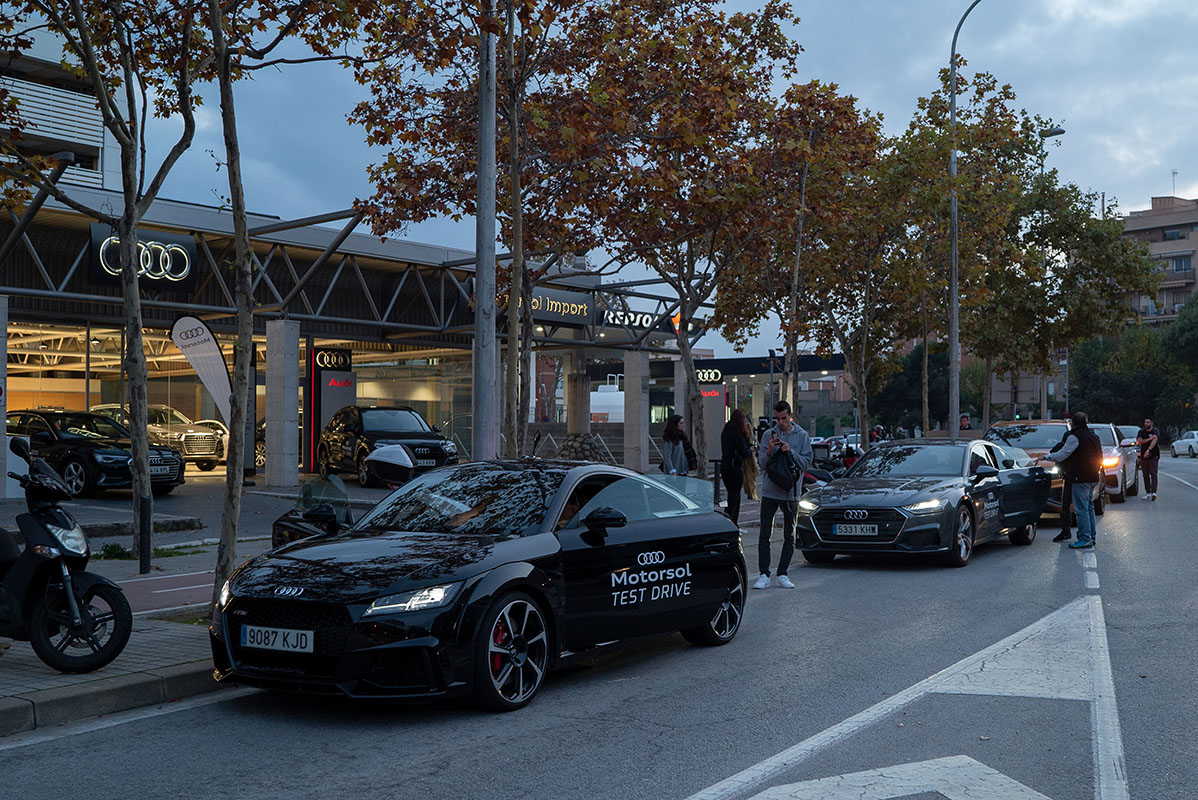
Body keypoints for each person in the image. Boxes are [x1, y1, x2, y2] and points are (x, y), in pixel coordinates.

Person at [753, 401, 813, 589]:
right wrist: (770, 450)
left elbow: (807, 463)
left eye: (784, 418)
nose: (781, 422)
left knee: (789, 534)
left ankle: (782, 573)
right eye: (777, 419)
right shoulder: (768, 435)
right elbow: (762, 464)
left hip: (791, 492)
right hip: (771, 490)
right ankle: (764, 574)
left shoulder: (801, 435)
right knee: (765, 534)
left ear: (790, 415)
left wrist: (791, 451)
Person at [1044, 410, 1102, 549]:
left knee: (1081, 509)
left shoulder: (1074, 437)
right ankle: (1091, 536)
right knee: (1089, 507)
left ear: (1073, 423)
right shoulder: (1093, 436)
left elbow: (1063, 454)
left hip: (1080, 477)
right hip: (1093, 476)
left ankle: (1084, 538)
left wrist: (1046, 457)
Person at [720, 409, 753, 525]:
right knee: (735, 498)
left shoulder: (726, 431)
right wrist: (750, 450)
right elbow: (744, 452)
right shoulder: (737, 433)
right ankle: (732, 523)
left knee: (731, 496)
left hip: (725, 467)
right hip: (734, 468)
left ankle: (729, 522)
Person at [1136, 417, 1160, 501]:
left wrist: (1148, 450)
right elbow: (1139, 441)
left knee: (1153, 473)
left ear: (1151, 423)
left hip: (1153, 456)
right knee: (1145, 475)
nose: (1146, 424)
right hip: (1143, 457)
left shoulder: (1155, 431)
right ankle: (1147, 492)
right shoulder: (1141, 432)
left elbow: (1155, 440)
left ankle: (1154, 492)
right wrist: (1150, 438)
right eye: (1145, 422)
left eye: (1148, 422)